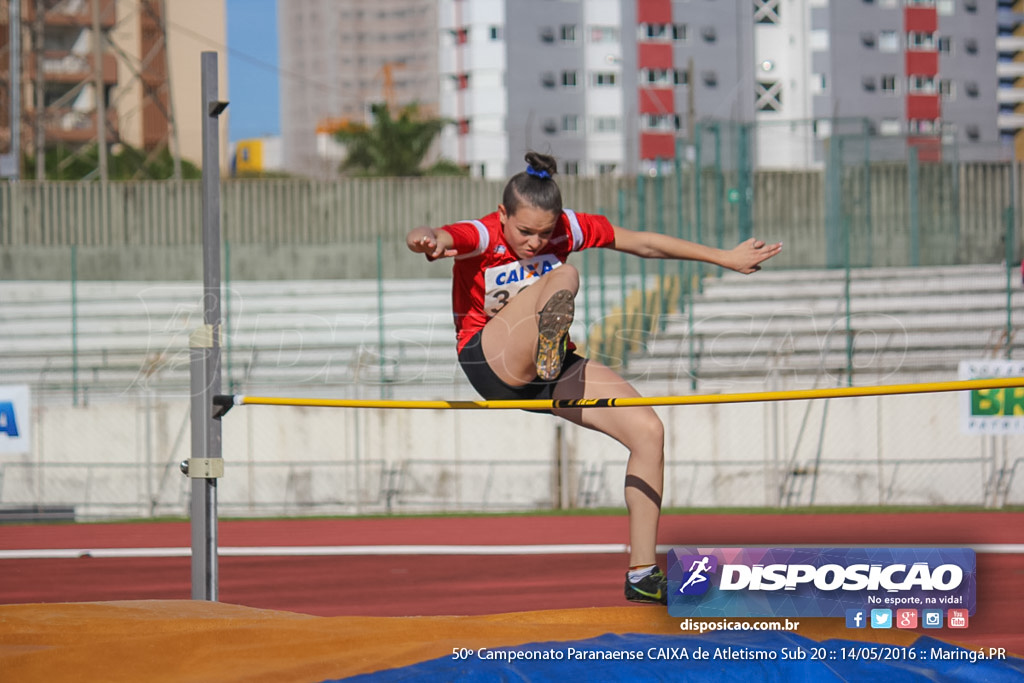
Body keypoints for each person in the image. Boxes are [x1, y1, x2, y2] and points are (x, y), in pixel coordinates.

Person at [406, 151, 782, 604]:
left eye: (545, 233)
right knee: (565, 272)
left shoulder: (570, 228)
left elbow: (642, 242)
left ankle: (642, 574)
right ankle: (548, 338)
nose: (534, 242)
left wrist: (722, 257)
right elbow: (439, 234)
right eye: (524, 231)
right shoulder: (484, 233)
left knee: (648, 431)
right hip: (490, 360)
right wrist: (425, 239)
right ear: (503, 214)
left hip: (551, 368)